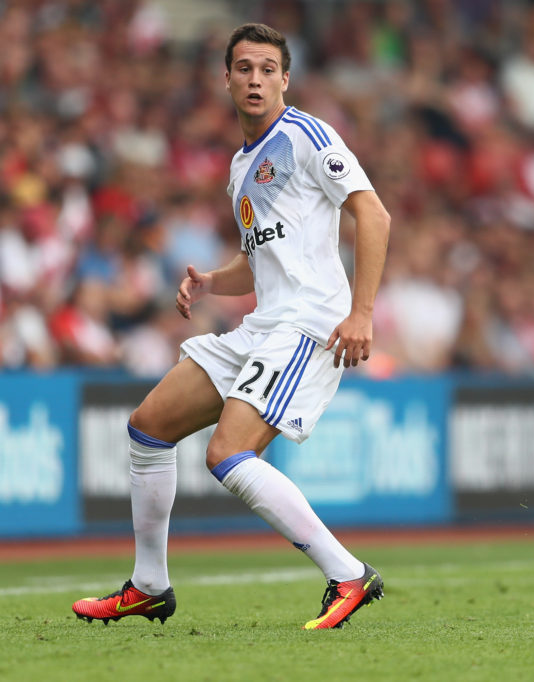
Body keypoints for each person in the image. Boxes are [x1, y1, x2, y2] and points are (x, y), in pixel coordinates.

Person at [72, 23, 391, 630]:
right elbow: (259, 259)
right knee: (148, 427)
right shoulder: (241, 166)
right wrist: (212, 280)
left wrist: (364, 313)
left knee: (228, 452)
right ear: (226, 79)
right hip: (262, 323)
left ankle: (347, 573)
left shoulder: (305, 135)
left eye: (268, 69)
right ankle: (148, 585)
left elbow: (373, 214)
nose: (255, 79)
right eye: (244, 68)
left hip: (308, 323)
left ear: (285, 80)